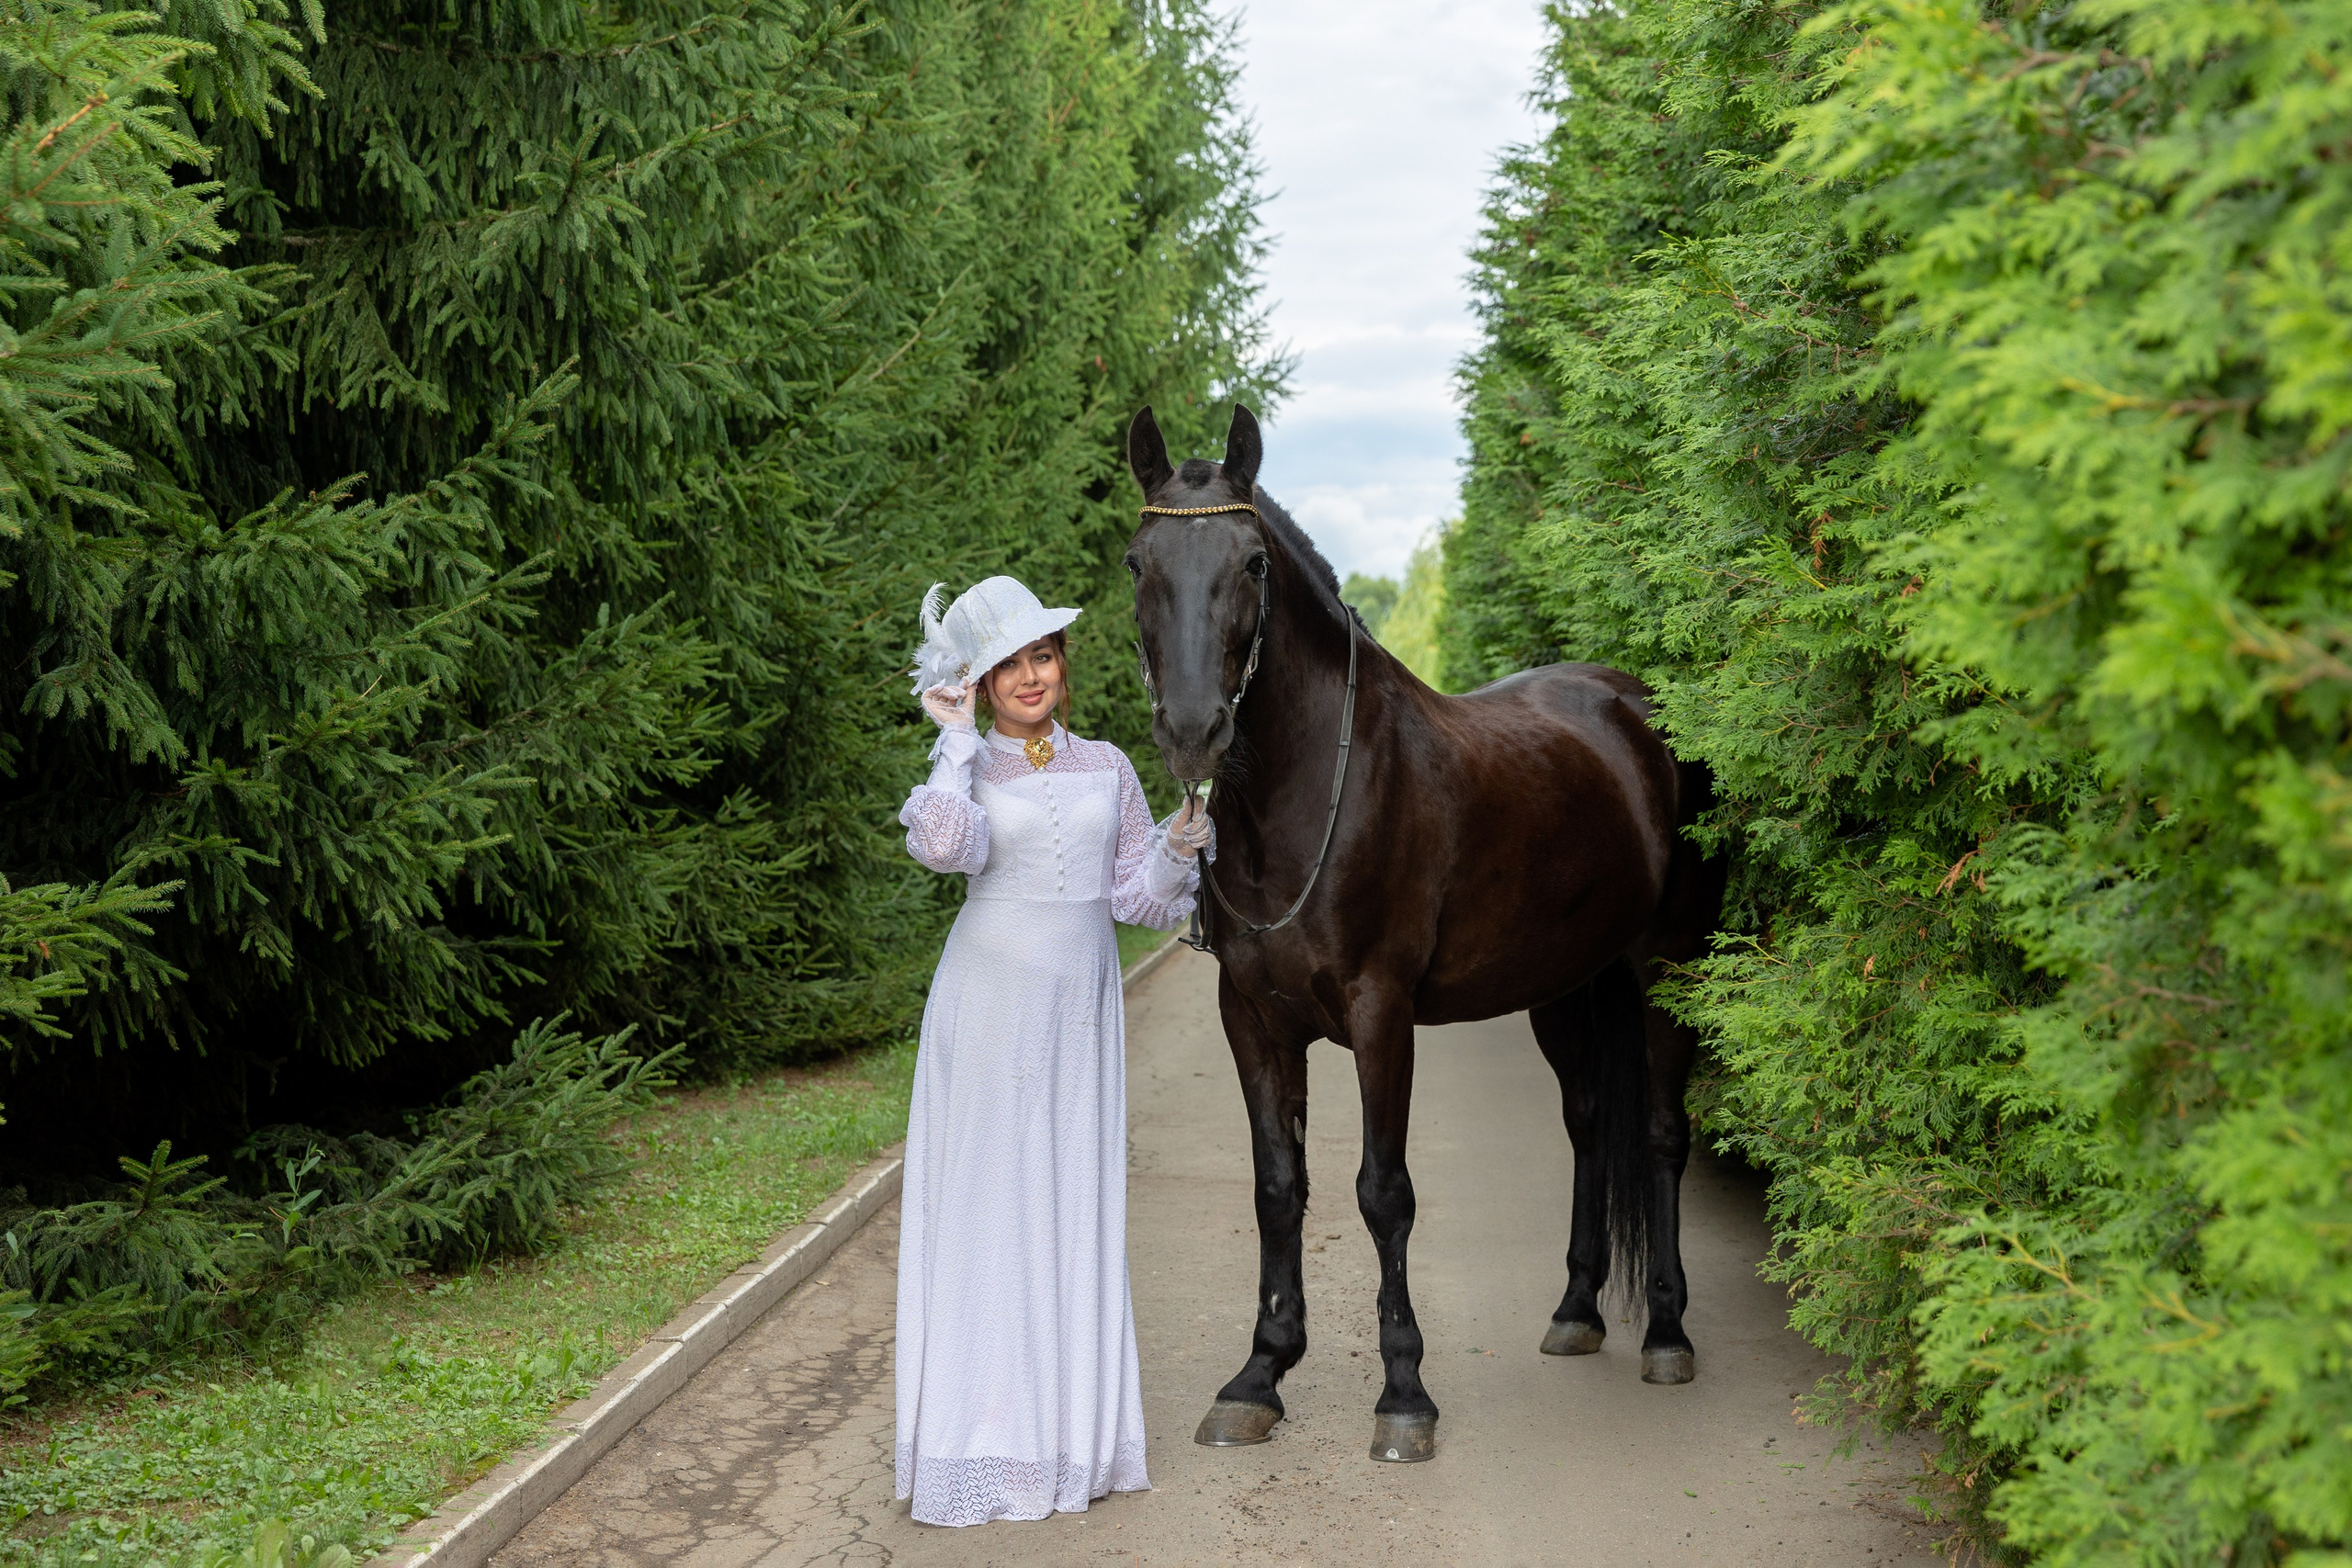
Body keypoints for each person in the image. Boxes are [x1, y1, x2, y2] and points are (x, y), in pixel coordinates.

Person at [893, 575, 1212, 1528]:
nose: (1029, 677)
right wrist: (951, 743)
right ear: (979, 683)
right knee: (990, 1213)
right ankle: (978, 1444)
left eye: (1042, 655)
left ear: (1062, 665)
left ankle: (1064, 1437)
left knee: (1066, 1204)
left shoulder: (1106, 764)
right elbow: (943, 850)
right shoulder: (967, 769)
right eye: (1006, 665)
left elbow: (1133, 899)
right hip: (988, 1010)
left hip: (1079, 1012)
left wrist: (1180, 846)